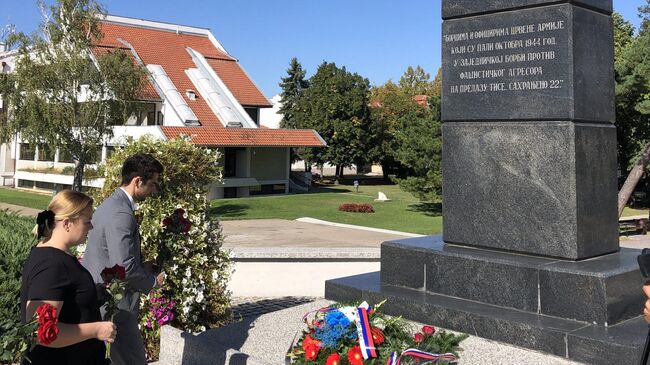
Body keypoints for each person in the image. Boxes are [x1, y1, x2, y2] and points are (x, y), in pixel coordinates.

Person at [82, 153, 165, 365]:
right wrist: (152, 282)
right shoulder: (121, 213)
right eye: (153, 184)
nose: (154, 190)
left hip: (102, 297)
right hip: (116, 304)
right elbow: (124, 267)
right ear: (138, 181)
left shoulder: (110, 204)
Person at [20, 190, 116, 365]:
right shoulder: (51, 265)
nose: (91, 227)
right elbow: (40, 331)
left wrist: (92, 294)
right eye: (87, 221)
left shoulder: (54, 255)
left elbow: (64, 295)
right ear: (67, 223)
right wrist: (97, 330)